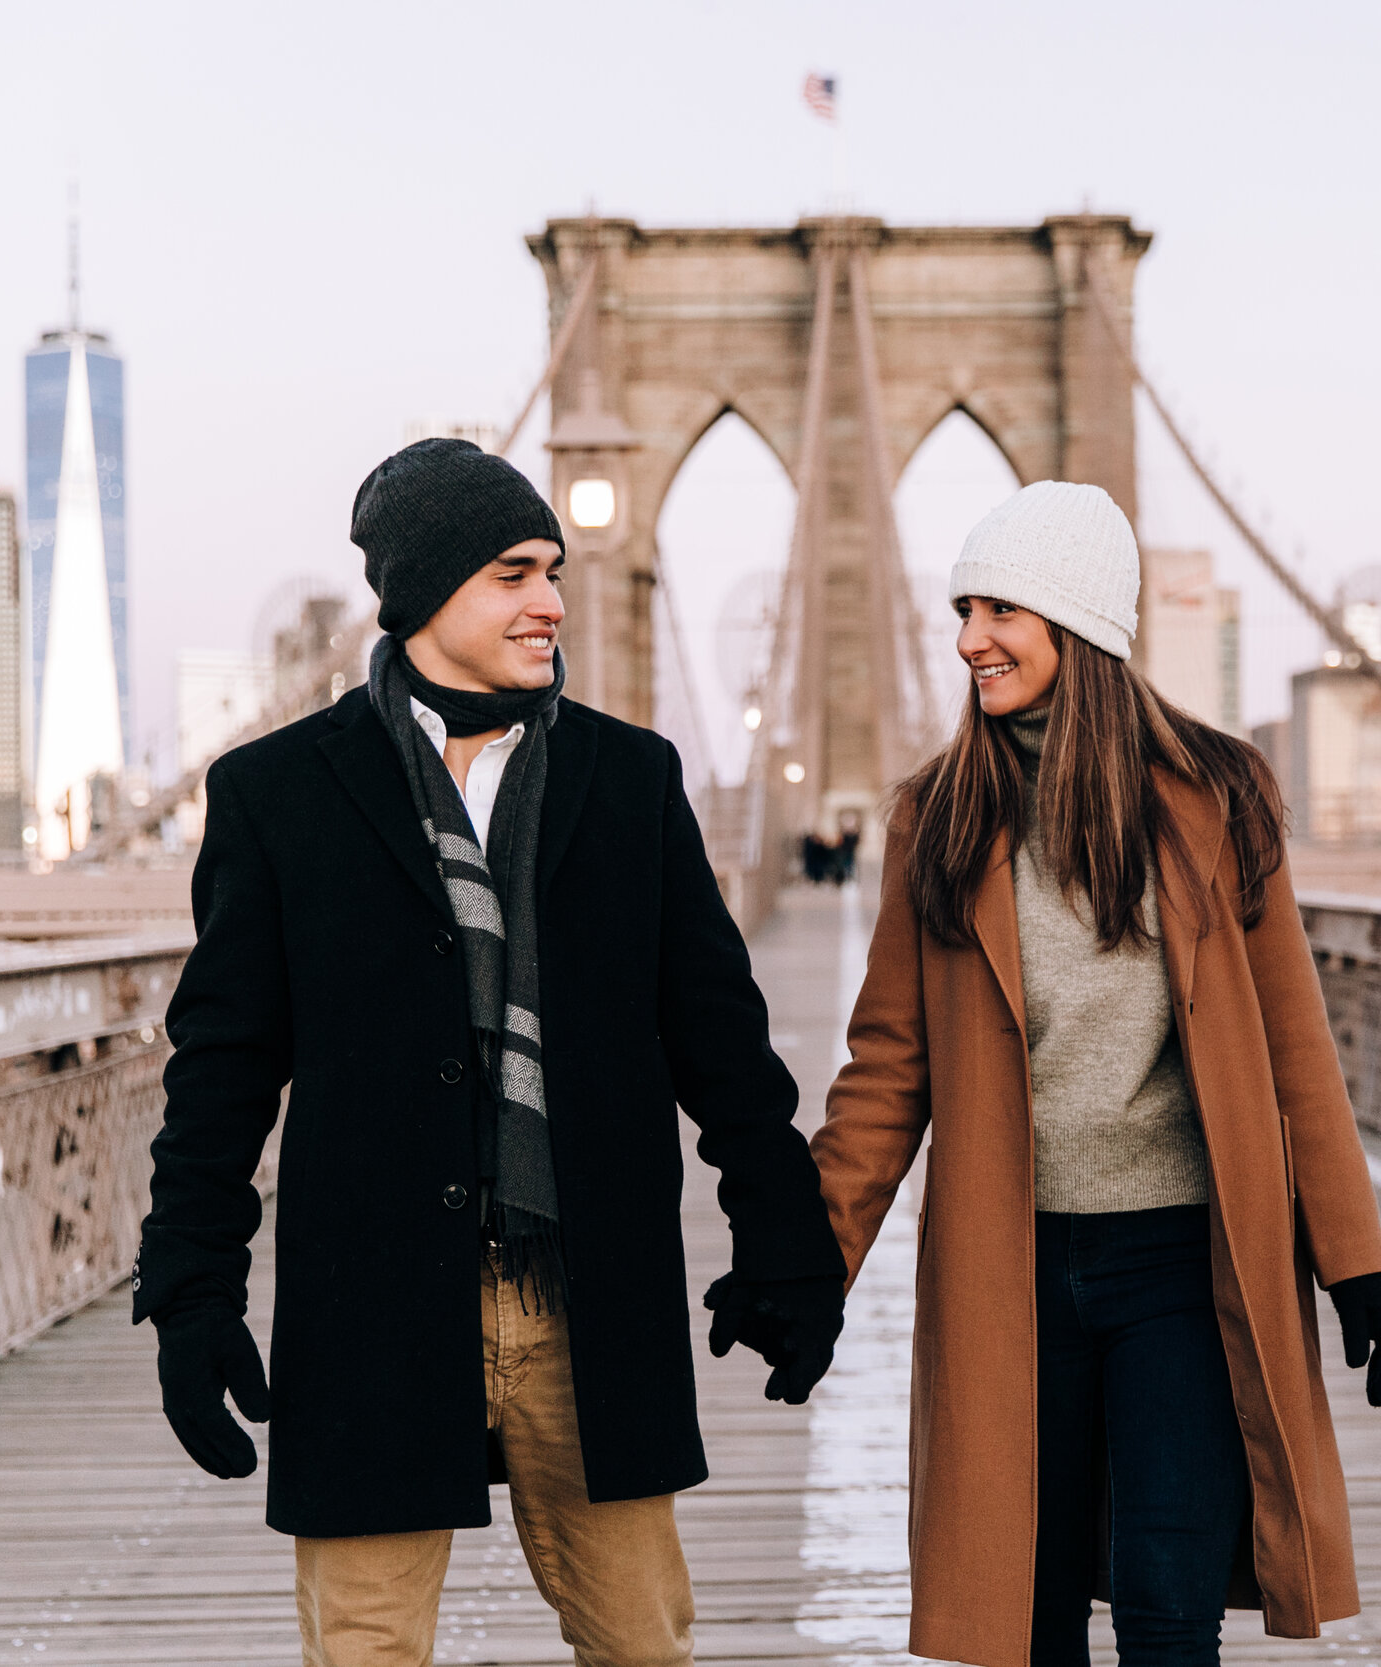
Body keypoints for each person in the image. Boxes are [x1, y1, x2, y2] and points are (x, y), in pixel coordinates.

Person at [132, 437, 846, 1667]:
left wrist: (786, 1241)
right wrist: (189, 1293)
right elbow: (221, 1069)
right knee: (363, 1652)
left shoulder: (631, 779)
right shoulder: (278, 794)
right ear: (424, 591)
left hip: (590, 1301)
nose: (552, 602)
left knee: (643, 1645)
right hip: (373, 1307)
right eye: (515, 573)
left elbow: (720, 1039)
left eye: (555, 572)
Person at [810, 481, 1381, 1667]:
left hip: (1181, 1265)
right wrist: (809, 1263)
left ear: (1077, 622)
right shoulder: (936, 818)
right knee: (1029, 1618)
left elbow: (1295, 1049)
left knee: (1166, 1604)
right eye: (962, 608)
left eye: (998, 609)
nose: (968, 636)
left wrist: (1357, 1265)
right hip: (1011, 1263)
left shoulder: (1220, 797)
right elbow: (886, 1067)